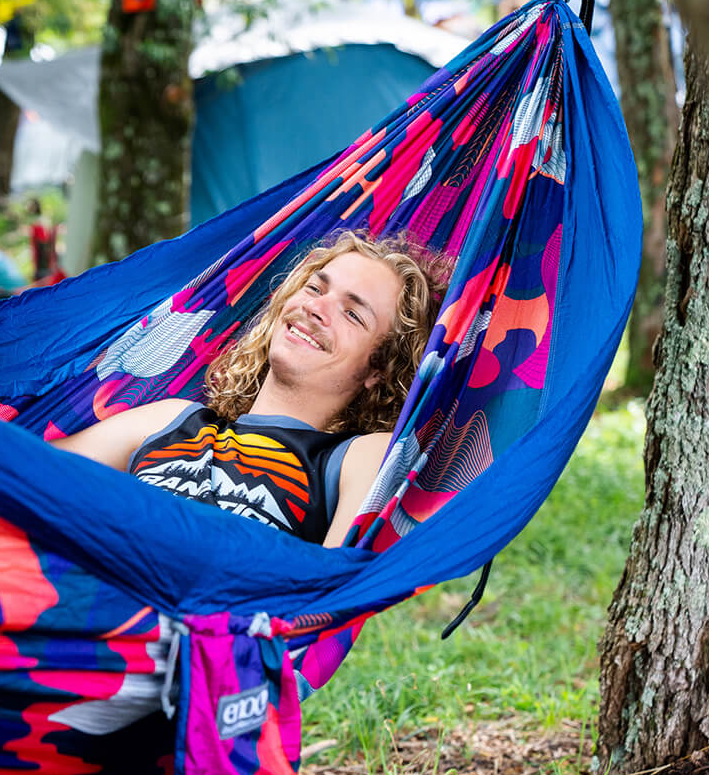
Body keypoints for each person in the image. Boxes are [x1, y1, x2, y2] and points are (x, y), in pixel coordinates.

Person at [55, 231, 447, 547]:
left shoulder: (353, 460)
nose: (315, 308)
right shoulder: (172, 419)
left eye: (351, 313)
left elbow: (330, 597)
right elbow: (31, 473)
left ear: (378, 368)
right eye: (314, 289)